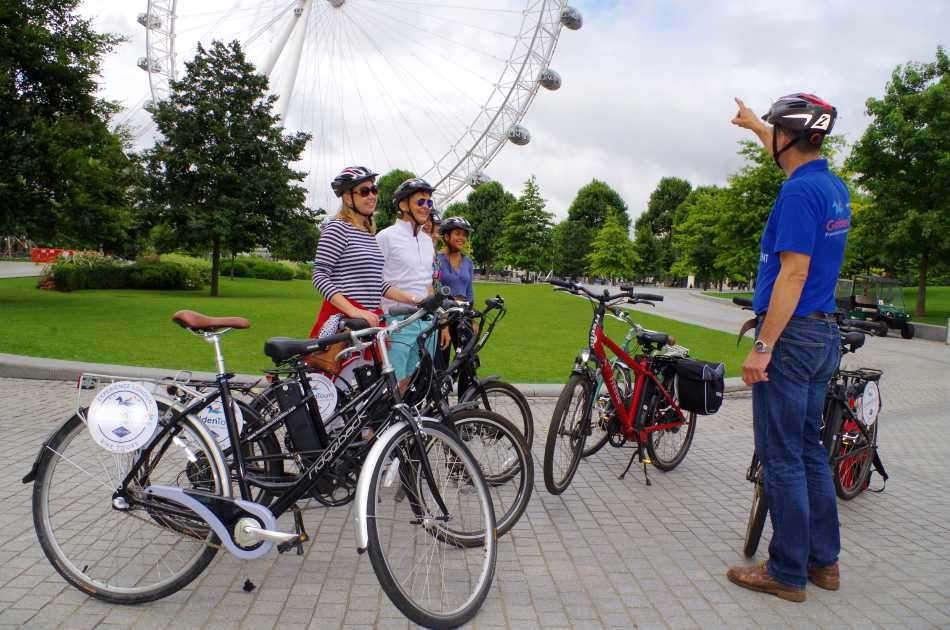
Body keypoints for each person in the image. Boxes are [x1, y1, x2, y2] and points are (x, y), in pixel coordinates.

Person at [727, 93, 851, 602]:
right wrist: (758, 125)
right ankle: (825, 563)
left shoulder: (799, 195)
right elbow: (792, 162)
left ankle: (786, 572)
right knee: (809, 453)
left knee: (781, 458)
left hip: (793, 336)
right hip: (824, 335)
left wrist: (763, 344)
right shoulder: (830, 186)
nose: (771, 137)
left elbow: (793, 272)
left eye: (776, 129)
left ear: (791, 138)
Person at [310, 166, 419, 372]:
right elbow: (319, 275)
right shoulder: (337, 228)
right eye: (364, 191)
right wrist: (353, 310)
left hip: (368, 321)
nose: (372, 196)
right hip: (345, 321)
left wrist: (414, 300)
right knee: (334, 386)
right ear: (348, 198)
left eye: (374, 190)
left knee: (367, 388)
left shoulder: (368, 234)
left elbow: (377, 283)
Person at [376, 178, 445, 381]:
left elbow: (426, 282)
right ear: (403, 205)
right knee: (395, 384)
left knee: (419, 381)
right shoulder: (385, 237)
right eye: (420, 202)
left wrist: (439, 312)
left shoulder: (426, 241)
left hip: (426, 320)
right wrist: (412, 300)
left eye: (429, 202)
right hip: (397, 321)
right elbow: (375, 282)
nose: (426, 207)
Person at [434, 216, 475, 372]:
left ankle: (467, 396)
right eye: (457, 233)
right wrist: (443, 324)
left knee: (467, 363)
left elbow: (469, 290)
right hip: (443, 315)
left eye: (464, 235)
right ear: (446, 236)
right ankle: (440, 396)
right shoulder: (436, 259)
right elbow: (435, 289)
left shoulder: (468, 262)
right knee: (441, 363)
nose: (462, 238)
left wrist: (472, 320)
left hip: (463, 316)